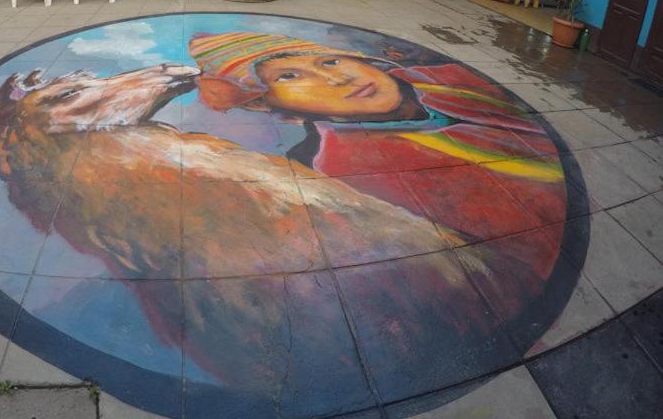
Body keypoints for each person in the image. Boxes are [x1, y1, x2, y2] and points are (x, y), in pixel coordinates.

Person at [189, 31, 567, 251]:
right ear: (272, 107)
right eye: (288, 77)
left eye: (330, 62)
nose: (337, 79)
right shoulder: (334, 176)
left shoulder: (451, 82)